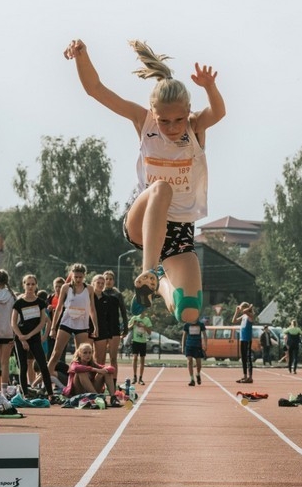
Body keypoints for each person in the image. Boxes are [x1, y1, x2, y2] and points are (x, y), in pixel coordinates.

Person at [64, 38, 226, 324]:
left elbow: (219, 113)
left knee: (188, 313)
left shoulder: (196, 126)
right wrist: (81, 56)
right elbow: (96, 90)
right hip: (143, 222)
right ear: (154, 114)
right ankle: (149, 269)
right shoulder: (143, 121)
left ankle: (157, 283)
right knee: (161, 188)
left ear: (188, 111)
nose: (172, 128)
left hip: (179, 232)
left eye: (178, 120)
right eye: (164, 121)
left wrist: (210, 87)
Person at [47, 263, 97, 378]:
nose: (78, 279)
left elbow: (92, 309)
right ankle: (45, 381)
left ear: (84, 276)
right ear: (72, 276)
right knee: (56, 354)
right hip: (66, 323)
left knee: (81, 357)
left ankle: (75, 383)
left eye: (80, 277)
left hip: (82, 325)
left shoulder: (89, 289)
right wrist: (53, 328)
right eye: (76, 277)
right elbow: (59, 309)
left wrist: (95, 327)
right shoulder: (66, 287)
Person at [11, 274, 55, 400]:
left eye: (32, 284)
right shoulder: (19, 302)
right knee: (23, 366)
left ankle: (51, 394)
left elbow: (43, 321)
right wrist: (22, 337)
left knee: (43, 365)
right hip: (20, 337)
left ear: (36, 286)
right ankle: (25, 394)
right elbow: (13, 323)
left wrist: (32, 335)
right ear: (23, 285)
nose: (30, 286)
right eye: (28, 284)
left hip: (34, 337)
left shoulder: (40, 303)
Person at [63, 343, 121, 407]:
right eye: (85, 353)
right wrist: (94, 369)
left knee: (105, 372)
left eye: (90, 353)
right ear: (79, 354)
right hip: (79, 392)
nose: (88, 355)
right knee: (81, 372)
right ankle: (96, 397)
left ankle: (113, 398)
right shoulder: (75, 363)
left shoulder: (92, 363)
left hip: (92, 390)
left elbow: (112, 369)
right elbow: (76, 368)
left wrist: (105, 370)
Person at [102, 269, 128, 384]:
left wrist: (125, 327)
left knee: (113, 358)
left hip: (114, 328)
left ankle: (113, 382)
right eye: (106, 279)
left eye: (110, 279)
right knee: (100, 359)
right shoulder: (99, 293)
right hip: (102, 328)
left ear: (113, 281)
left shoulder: (118, 295)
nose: (108, 281)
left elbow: (123, 312)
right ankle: (100, 382)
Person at [233, 302, 255, 383]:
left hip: (247, 339)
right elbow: (234, 321)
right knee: (243, 358)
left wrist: (250, 307)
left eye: (242, 307)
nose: (241, 309)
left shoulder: (250, 316)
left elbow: (245, 311)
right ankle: (245, 376)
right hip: (242, 339)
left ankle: (250, 377)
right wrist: (236, 311)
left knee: (248, 358)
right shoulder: (243, 316)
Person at [128, 313, 152, 385]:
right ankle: (134, 376)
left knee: (142, 359)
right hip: (135, 341)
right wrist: (133, 324)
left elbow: (150, 332)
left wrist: (144, 326)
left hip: (143, 342)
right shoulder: (135, 318)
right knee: (135, 357)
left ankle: (140, 378)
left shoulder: (147, 320)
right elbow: (128, 327)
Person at [182, 319, 207, 386]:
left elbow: (204, 335)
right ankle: (192, 379)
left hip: (197, 346)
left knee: (198, 363)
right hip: (189, 345)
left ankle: (198, 374)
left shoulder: (200, 324)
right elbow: (184, 336)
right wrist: (183, 347)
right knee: (189, 361)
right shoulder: (187, 325)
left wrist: (205, 344)